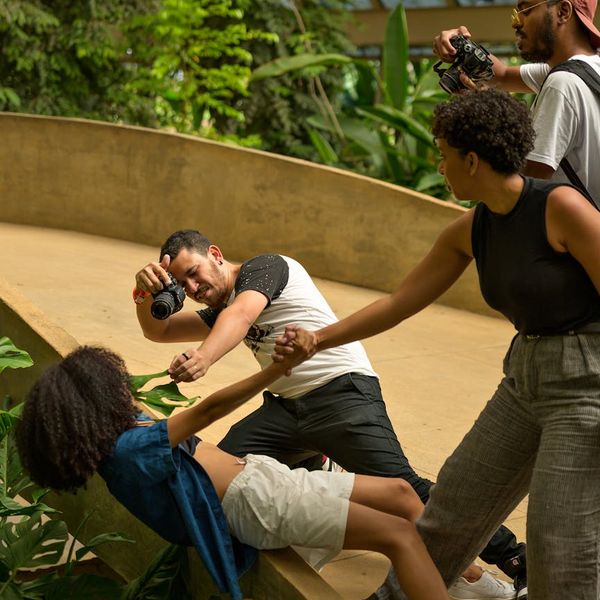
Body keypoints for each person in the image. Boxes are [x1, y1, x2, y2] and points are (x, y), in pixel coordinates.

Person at [274, 88, 600, 600]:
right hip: (524, 378)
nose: (441, 168)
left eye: (445, 157)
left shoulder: (560, 207)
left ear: (473, 159)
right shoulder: (473, 228)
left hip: (586, 385)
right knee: (450, 512)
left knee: (561, 547)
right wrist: (318, 338)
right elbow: (402, 300)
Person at [133, 230, 520, 598]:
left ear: (215, 255)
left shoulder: (263, 269)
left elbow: (242, 318)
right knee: (224, 477)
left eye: (193, 274)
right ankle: (321, 469)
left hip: (341, 394)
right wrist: (144, 294)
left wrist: (204, 356)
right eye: (182, 285)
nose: (192, 289)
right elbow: (160, 331)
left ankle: (503, 563)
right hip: (285, 413)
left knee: (405, 489)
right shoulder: (223, 307)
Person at [16, 345, 451, 600]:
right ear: (93, 405)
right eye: (112, 386)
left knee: (400, 494)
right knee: (398, 534)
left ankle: (466, 582)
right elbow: (208, 409)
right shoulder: (128, 452)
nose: (123, 387)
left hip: (265, 478)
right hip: (257, 501)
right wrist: (277, 370)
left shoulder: (127, 433)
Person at [433, 0, 600, 205]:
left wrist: (485, 116)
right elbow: (501, 76)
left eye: (525, 11)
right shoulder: (590, 68)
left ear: (563, 11)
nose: (515, 22)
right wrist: (461, 47)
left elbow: (522, 188)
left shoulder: (563, 83)